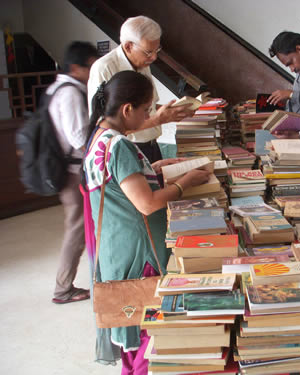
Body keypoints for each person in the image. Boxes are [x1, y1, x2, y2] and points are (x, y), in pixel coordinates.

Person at [82, 70, 210, 374]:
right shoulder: (120, 145)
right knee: (148, 338)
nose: (150, 116)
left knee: (131, 326)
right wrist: (186, 183)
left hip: (118, 248)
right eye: (147, 109)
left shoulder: (100, 138)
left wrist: (155, 167)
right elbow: (146, 203)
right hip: (139, 254)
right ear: (128, 109)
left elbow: (120, 185)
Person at [87, 15, 193, 162]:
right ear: (128, 46)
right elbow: (105, 126)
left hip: (151, 146)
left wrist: (174, 111)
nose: (154, 57)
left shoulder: (142, 64)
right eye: (149, 52)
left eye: (157, 50)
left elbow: (144, 107)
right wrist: (158, 119)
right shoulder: (105, 68)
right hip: (127, 150)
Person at [49, 41, 99, 304]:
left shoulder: (63, 88)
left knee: (79, 227)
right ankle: (62, 289)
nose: (94, 70)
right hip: (72, 171)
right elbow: (78, 136)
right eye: (91, 65)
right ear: (77, 67)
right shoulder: (69, 93)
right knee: (77, 229)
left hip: (71, 168)